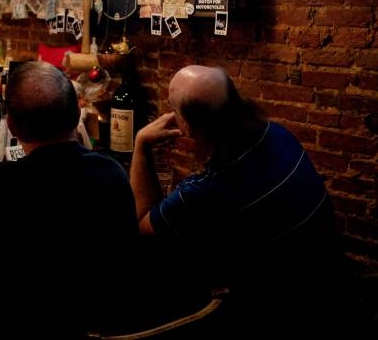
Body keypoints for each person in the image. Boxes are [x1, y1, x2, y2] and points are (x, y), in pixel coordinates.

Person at [129, 64, 341, 336]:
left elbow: (142, 224)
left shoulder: (207, 189)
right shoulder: (277, 134)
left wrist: (141, 145)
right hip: (324, 282)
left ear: (186, 125)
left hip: (276, 313)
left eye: (174, 110)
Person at [0, 61, 140, 338]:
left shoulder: (3, 182)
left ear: (12, 125)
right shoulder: (112, 172)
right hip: (105, 328)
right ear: (77, 114)